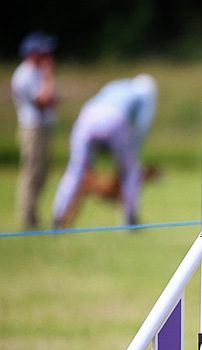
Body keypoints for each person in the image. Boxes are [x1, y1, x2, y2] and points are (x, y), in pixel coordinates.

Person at [53, 74, 158, 228]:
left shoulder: (117, 84)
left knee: (76, 169)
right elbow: (141, 127)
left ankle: (58, 216)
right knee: (130, 170)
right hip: (114, 121)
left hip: (87, 117)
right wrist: (132, 150)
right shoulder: (145, 97)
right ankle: (130, 218)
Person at [11, 31, 60, 230]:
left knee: (41, 173)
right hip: (32, 129)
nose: (49, 54)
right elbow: (44, 100)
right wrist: (49, 76)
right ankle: (27, 218)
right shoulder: (25, 74)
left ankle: (33, 216)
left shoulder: (37, 72)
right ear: (34, 52)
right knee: (32, 172)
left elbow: (54, 100)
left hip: (43, 128)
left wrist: (48, 78)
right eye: (44, 51)